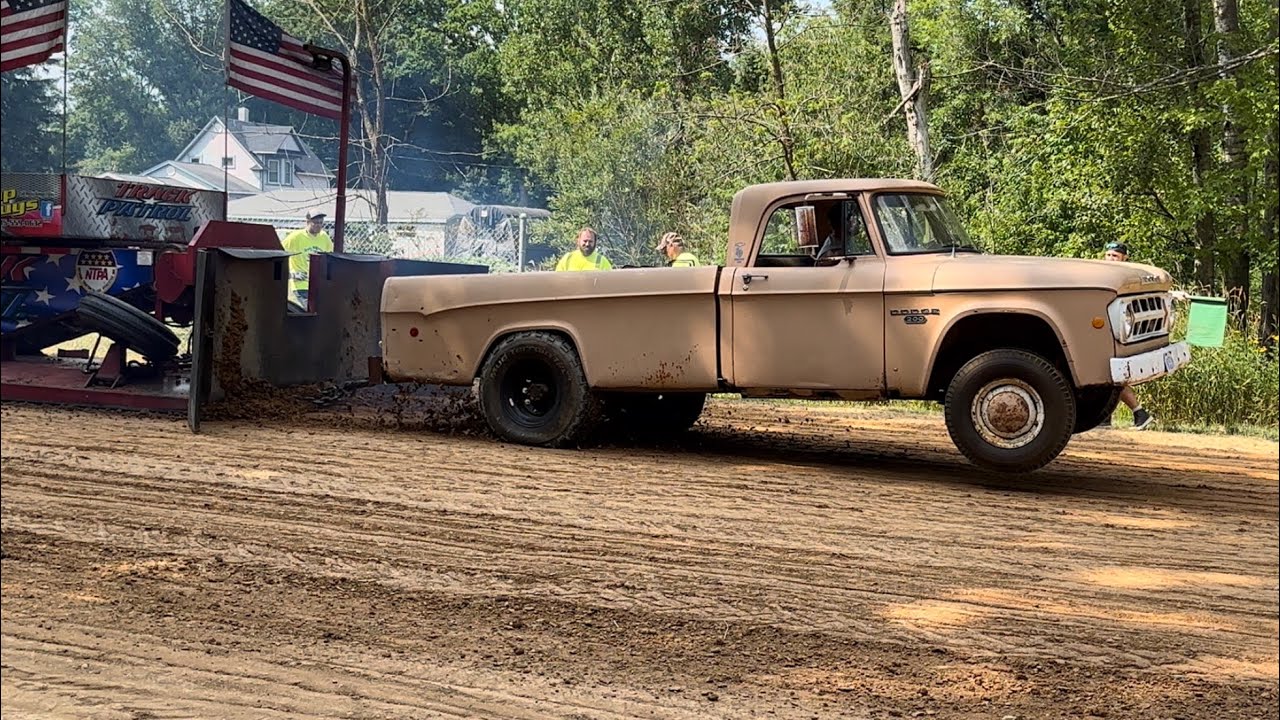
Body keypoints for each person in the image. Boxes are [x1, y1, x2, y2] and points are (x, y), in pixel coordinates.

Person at [1102, 241, 1156, 430]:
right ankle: (1107, 417)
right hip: (1107, 331)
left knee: (1115, 377)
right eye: (1108, 255)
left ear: (1124, 258)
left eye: (1115, 256)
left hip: (1122, 333)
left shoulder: (1128, 277)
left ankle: (1139, 413)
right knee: (1108, 376)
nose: (1110, 259)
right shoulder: (1102, 275)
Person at [281, 210, 333, 305]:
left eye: (321, 223)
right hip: (301, 284)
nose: (319, 225)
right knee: (309, 308)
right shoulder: (295, 237)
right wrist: (291, 274)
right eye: (316, 222)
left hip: (318, 283)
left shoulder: (324, 237)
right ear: (308, 222)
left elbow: (330, 258)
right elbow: (279, 252)